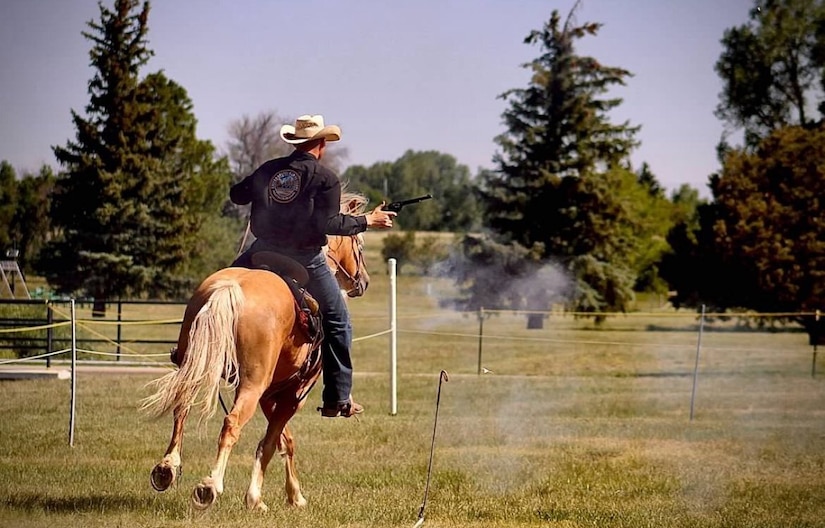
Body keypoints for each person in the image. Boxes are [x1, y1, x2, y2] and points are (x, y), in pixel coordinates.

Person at [229, 114, 396, 418]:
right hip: (304, 258)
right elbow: (328, 223)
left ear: (296, 142)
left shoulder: (269, 169)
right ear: (321, 144)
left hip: (261, 251)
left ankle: (186, 353)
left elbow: (236, 195)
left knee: (223, 287)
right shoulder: (324, 178)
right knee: (338, 321)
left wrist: (262, 187)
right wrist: (367, 220)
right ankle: (337, 399)